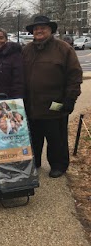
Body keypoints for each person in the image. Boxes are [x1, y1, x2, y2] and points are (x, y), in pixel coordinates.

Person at [23, 15, 82, 178]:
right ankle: (34, 161)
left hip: (55, 104)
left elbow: (75, 75)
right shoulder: (27, 50)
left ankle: (58, 165)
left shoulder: (63, 49)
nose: (39, 31)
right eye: (36, 28)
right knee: (33, 137)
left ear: (50, 30)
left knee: (56, 138)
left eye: (42, 28)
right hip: (33, 104)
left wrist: (70, 99)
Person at [0, 28, 24, 99]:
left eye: (1, 38)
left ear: (6, 39)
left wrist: (17, 98)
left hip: (9, 98)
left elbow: (18, 81)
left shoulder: (15, 55)